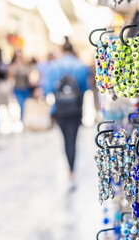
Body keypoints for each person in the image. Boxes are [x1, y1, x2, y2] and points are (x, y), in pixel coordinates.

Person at [44, 37, 90, 190]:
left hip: (60, 110)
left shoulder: (54, 66)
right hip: (76, 110)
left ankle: (69, 170)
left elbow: (48, 89)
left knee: (65, 140)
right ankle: (72, 171)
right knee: (73, 140)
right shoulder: (81, 66)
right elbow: (85, 88)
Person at [9, 50, 31, 120]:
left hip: (26, 88)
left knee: (26, 105)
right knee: (21, 105)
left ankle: (26, 119)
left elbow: (29, 75)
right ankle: (22, 119)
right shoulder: (13, 66)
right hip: (18, 89)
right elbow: (10, 77)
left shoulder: (26, 66)